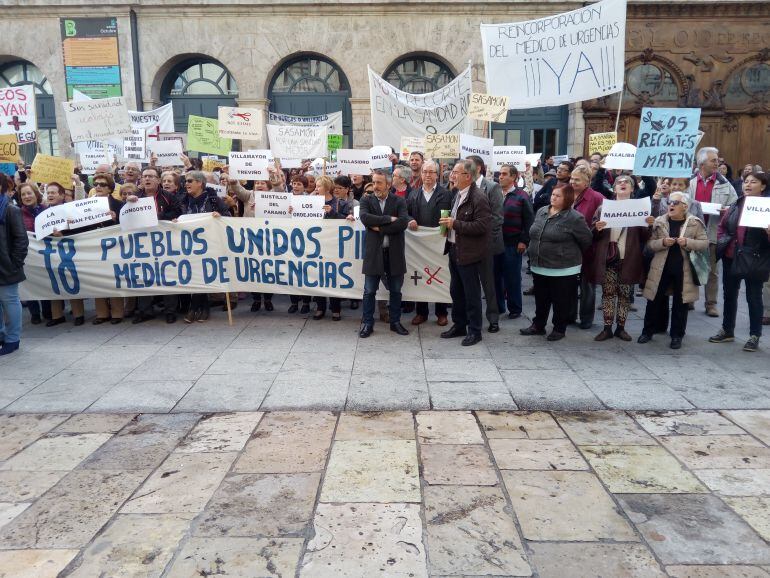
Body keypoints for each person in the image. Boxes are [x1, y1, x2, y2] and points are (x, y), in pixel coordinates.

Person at [521, 185, 592, 341]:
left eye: (558, 196)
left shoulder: (574, 217)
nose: (553, 198)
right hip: (539, 265)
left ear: (567, 198)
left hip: (563, 268)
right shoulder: (542, 211)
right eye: (553, 194)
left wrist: (565, 252)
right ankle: (538, 325)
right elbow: (534, 232)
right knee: (541, 299)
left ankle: (559, 328)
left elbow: (586, 240)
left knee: (561, 300)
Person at [709, 172, 770, 352]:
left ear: (763, 186)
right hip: (732, 256)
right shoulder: (737, 203)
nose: (748, 185)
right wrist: (724, 241)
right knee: (729, 294)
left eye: (753, 182)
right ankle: (727, 330)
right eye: (746, 182)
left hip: (755, 257)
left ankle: (754, 335)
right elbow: (723, 226)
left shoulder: (767, 206)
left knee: (753, 296)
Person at [638, 192, 708, 348]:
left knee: (680, 303)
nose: (671, 205)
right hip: (661, 267)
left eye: (676, 203)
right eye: (670, 202)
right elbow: (650, 244)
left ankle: (677, 335)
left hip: (684, 269)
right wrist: (663, 242)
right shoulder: (659, 221)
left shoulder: (694, 223)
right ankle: (647, 332)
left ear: (685, 206)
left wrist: (687, 242)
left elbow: (704, 243)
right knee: (653, 299)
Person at [589, 180, 655, 342]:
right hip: (609, 257)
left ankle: (621, 328)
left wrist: (648, 225)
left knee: (625, 295)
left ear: (632, 188)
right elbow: (592, 234)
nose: (623, 183)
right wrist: (597, 228)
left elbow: (645, 237)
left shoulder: (639, 209)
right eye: (619, 182)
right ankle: (607, 328)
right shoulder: (603, 208)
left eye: (627, 182)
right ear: (614, 187)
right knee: (608, 293)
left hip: (629, 257)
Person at [439, 160, 491, 346]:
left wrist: (455, 224)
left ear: (467, 176)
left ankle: (475, 331)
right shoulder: (457, 194)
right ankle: (459, 325)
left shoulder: (478, 197)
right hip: (454, 249)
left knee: (471, 294)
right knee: (456, 291)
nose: (451, 176)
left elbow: (483, 226)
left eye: (455, 172)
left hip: (469, 253)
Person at [686, 147, 738, 317]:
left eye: (717, 160)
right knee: (690, 266)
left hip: (713, 232)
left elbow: (735, 205)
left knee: (712, 270)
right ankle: (689, 299)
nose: (717, 163)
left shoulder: (725, 184)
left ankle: (711, 304)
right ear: (702, 163)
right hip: (691, 232)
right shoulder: (690, 182)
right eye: (713, 160)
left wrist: (727, 211)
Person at [358, 169, 410, 338]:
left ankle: (395, 322)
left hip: (394, 252)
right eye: (373, 182)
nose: (375, 186)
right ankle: (367, 323)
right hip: (374, 253)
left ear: (388, 184)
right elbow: (365, 218)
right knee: (369, 290)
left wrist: (377, 227)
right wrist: (388, 219)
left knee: (396, 290)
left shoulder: (399, 201)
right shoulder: (366, 200)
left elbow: (402, 223)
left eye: (379, 182)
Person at [128, 167, 183, 324]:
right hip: (142, 244)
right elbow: (125, 219)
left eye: (151, 176)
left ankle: (170, 310)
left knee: (167, 275)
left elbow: (178, 213)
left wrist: (158, 217)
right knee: (143, 275)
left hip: (164, 243)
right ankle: (145, 310)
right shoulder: (134, 198)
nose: (147, 179)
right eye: (145, 176)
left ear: (158, 180)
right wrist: (128, 206)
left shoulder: (168, 197)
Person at [178, 171, 231, 323]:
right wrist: (174, 220)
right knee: (195, 274)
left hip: (209, 243)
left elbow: (227, 216)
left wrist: (219, 215)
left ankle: (194, 309)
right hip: (188, 244)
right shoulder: (182, 200)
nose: (186, 184)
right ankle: (203, 308)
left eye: (190, 181)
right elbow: (174, 216)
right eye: (186, 181)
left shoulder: (213, 200)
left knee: (203, 273)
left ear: (200, 183)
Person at [406, 159, 452, 326]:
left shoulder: (446, 194)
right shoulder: (413, 194)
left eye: (431, 172)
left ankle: (441, 312)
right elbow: (406, 213)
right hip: (419, 245)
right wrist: (410, 220)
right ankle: (421, 312)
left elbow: (450, 216)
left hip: (439, 244)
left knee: (439, 275)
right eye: (425, 172)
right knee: (421, 276)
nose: (427, 175)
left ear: (437, 175)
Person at [466, 155, 503, 333]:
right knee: (469, 284)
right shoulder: (462, 187)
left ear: (478, 168)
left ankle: (493, 318)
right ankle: (472, 317)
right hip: (467, 244)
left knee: (488, 284)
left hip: (486, 245)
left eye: (468, 165)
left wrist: (485, 240)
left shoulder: (492, 187)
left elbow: (496, 218)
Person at [570, 166, 606, 329]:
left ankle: (586, 318)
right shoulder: (566, 193)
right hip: (567, 247)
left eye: (577, 179)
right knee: (568, 283)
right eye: (572, 178)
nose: (572, 181)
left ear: (587, 182)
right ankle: (569, 315)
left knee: (587, 285)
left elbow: (603, 221)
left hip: (589, 247)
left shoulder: (597, 198)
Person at [89, 173, 127, 325]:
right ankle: (101, 313)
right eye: (96, 184)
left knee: (113, 278)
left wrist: (115, 220)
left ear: (110, 188)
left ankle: (117, 313)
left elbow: (126, 226)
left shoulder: (118, 205)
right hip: (94, 248)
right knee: (97, 279)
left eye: (102, 184)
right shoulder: (87, 206)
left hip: (114, 248)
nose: (98, 186)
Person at [498, 164, 534, 319]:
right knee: (496, 277)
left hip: (513, 244)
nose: (500, 176)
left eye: (504, 174)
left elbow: (529, 221)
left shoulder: (521, 196)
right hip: (495, 243)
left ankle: (515, 308)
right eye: (500, 174)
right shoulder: (495, 194)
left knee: (512, 277)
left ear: (513, 177)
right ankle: (498, 307)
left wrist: (523, 241)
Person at [313, 175, 349, 321]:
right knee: (317, 276)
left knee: (333, 277)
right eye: (315, 186)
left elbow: (347, 220)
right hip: (316, 244)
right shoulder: (310, 201)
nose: (316, 189)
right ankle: (320, 307)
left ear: (327, 188)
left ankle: (335, 308)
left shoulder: (339, 203)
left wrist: (332, 213)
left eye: (319, 186)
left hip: (334, 245)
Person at [0, 186, 28, 355]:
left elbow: (21, 239)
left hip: (6, 266)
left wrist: (14, 263)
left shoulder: (11, 210)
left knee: (9, 301)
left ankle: (12, 339)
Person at [16, 183, 45, 324]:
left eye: (29, 193)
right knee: (30, 282)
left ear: (36, 194)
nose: (27, 196)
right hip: (28, 255)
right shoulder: (17, 213)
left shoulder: (46, 210)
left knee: (45, 282)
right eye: (23, 194)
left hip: (45, 254)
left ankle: (48, 310)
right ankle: (35, 313)